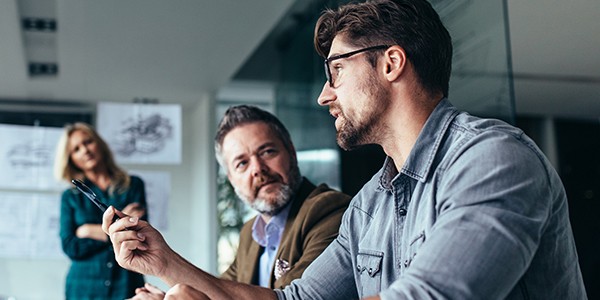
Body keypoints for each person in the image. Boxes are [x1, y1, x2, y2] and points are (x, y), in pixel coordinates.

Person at [104, 0, 588, 299]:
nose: (324, 95)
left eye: (336, 71)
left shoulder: (494, 160)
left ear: (392, 63)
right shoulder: (370, 204)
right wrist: (164, 263)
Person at [116, 105, 351, 299]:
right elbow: (218, 292)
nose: (258, 170)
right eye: (242, 163)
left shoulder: (329, 210)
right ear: (231, 179)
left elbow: (293, 298)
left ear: (291, 151)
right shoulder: (251, 232)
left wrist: (165, 263)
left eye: (267, 152)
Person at [54, 122, 148, 299]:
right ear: (70, 159)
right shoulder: (71, 196)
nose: (85, 150)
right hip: (83, 287)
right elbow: (70, 246)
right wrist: (115, 230)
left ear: (99, 144)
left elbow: (138, 234)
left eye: (88, 142)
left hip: (126, 282)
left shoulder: (133, 185)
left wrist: (87, 230)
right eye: (76, 149)